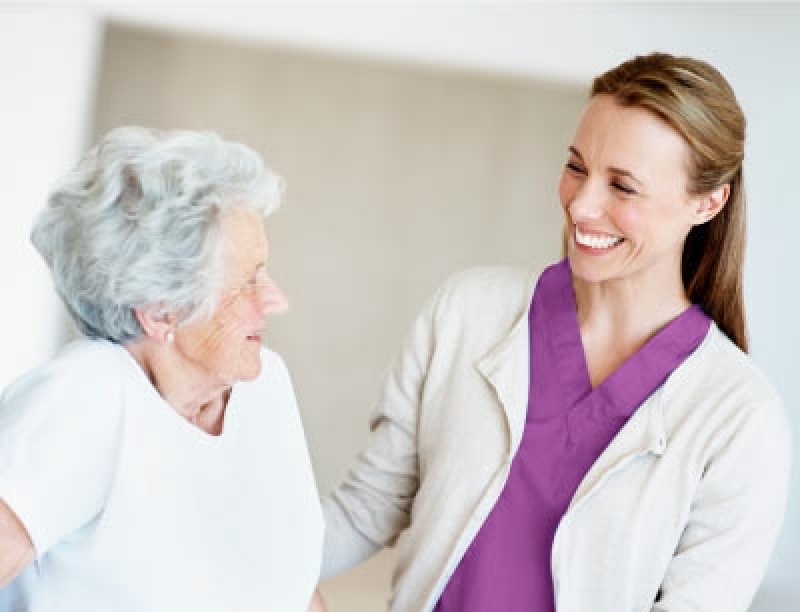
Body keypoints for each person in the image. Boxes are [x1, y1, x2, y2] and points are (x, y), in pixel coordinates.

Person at [321, 52, 791, 612]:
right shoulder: (467, 312)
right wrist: (253, 571)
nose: (582, 205)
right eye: (576, 167)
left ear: (708, 202)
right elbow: (366, 508)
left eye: (623, 187)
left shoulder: (738, 417)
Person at [0, 127, 327, 612]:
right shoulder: (89, 394)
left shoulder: (265, 387)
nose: (275, 300)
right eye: (246, 284)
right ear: (160, 312)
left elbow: (289, 587)